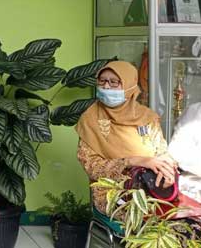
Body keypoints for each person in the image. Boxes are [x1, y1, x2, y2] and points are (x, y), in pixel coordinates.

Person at [75, 60, 177, 216]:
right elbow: (92, 167)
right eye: (102, 81)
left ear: (130, 85)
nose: (106, 87)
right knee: (143, 218)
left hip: (151, 185)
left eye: (114, 82)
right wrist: (132, 161)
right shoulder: (90, 120)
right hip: (112, 192)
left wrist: (167, 171)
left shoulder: (147, 117)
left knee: (183, 219)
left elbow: (162, 152)